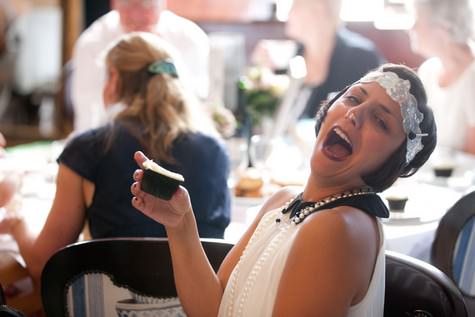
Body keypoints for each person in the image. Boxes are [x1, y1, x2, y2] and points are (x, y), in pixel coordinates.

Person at [131, 63, 437, 316]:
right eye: (354, 98)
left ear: (394, 164)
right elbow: (214, 308)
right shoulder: (283, 201)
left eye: (381, 121)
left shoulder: (338, 228)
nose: (354, 114)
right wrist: (181, 223)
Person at [0, 32, 230, 283]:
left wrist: (17, 225)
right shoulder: (216, 150)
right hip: (197, 307)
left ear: (114, 79)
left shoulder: (88, 149)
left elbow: (41, 264)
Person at [71, 0, 210, 133]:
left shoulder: (190, 39)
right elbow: (87, 113)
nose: (136, 14)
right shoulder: (92, 43)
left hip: (176, 135)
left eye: (146, 3)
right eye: (126, 3)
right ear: (113, 3)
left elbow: (197, 102)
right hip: (112, 140)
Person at [252, 0, 385, 120]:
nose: (289, 14)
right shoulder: (297, 55)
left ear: (317, 10)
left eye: (295, 6)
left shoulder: (360, 57)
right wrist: (263, 74)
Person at [408, 0, 475, 154]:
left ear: (443, 28)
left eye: (418, 20)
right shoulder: (428, 70)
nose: (411, 28)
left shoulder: (472, 77)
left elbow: (472, 160)